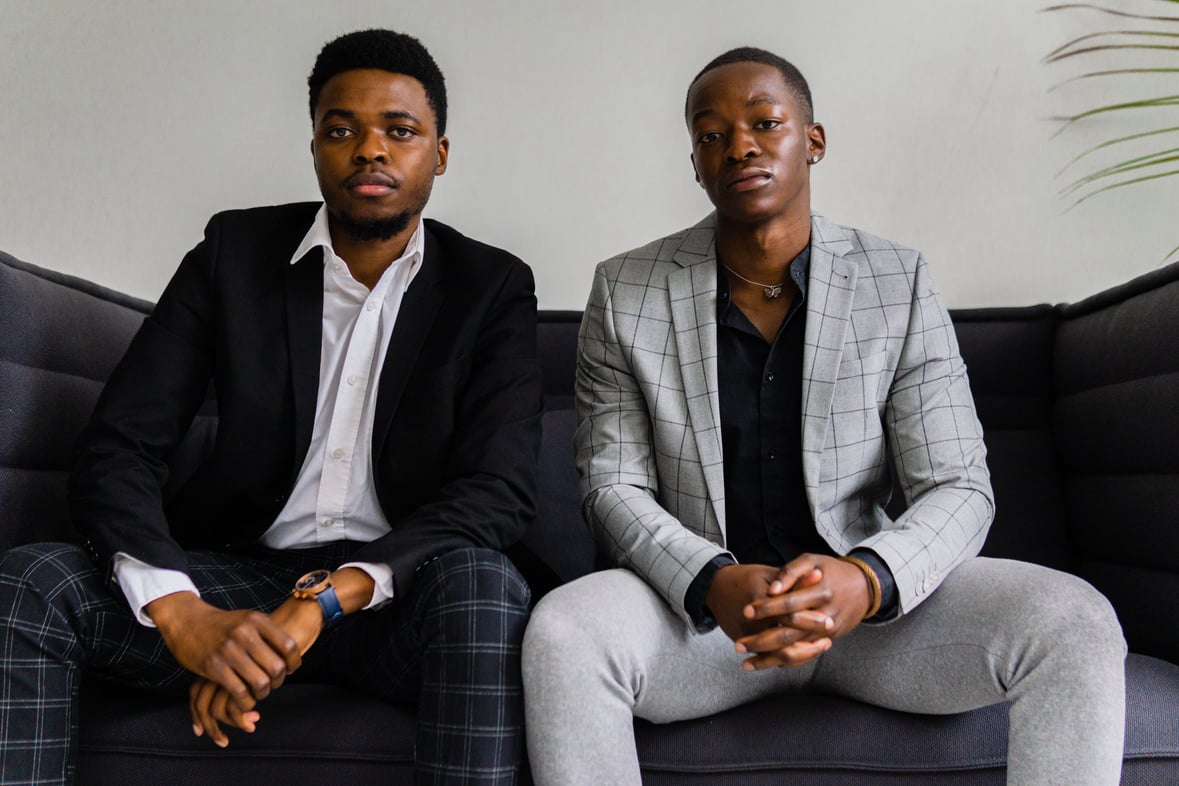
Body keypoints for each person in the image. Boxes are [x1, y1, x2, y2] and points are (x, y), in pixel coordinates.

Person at [522, 46, 1126, 785]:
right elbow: (610, 486)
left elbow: (960, 484)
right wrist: (711, 578)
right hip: (701, 624)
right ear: (695, 163)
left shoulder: (896, 280)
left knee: (1074, 619)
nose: (737, 144)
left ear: (811, 140)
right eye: (710, 134)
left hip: (873, 622)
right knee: (561, 630)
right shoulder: (624, 290)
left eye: (764, 123)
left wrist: (866, 579)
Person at [0, 28, 540, 786]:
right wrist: (186, 617)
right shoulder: (233, 254)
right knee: (33, 582)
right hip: (240, 586)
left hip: (400, 601)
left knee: (486, 587)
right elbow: (119, 447)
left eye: (399, 131)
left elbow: (497, 491)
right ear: (315, 145)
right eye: (341, 129)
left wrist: (320, 605)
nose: (369, 150)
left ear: (439, 154)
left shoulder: (491, 286)